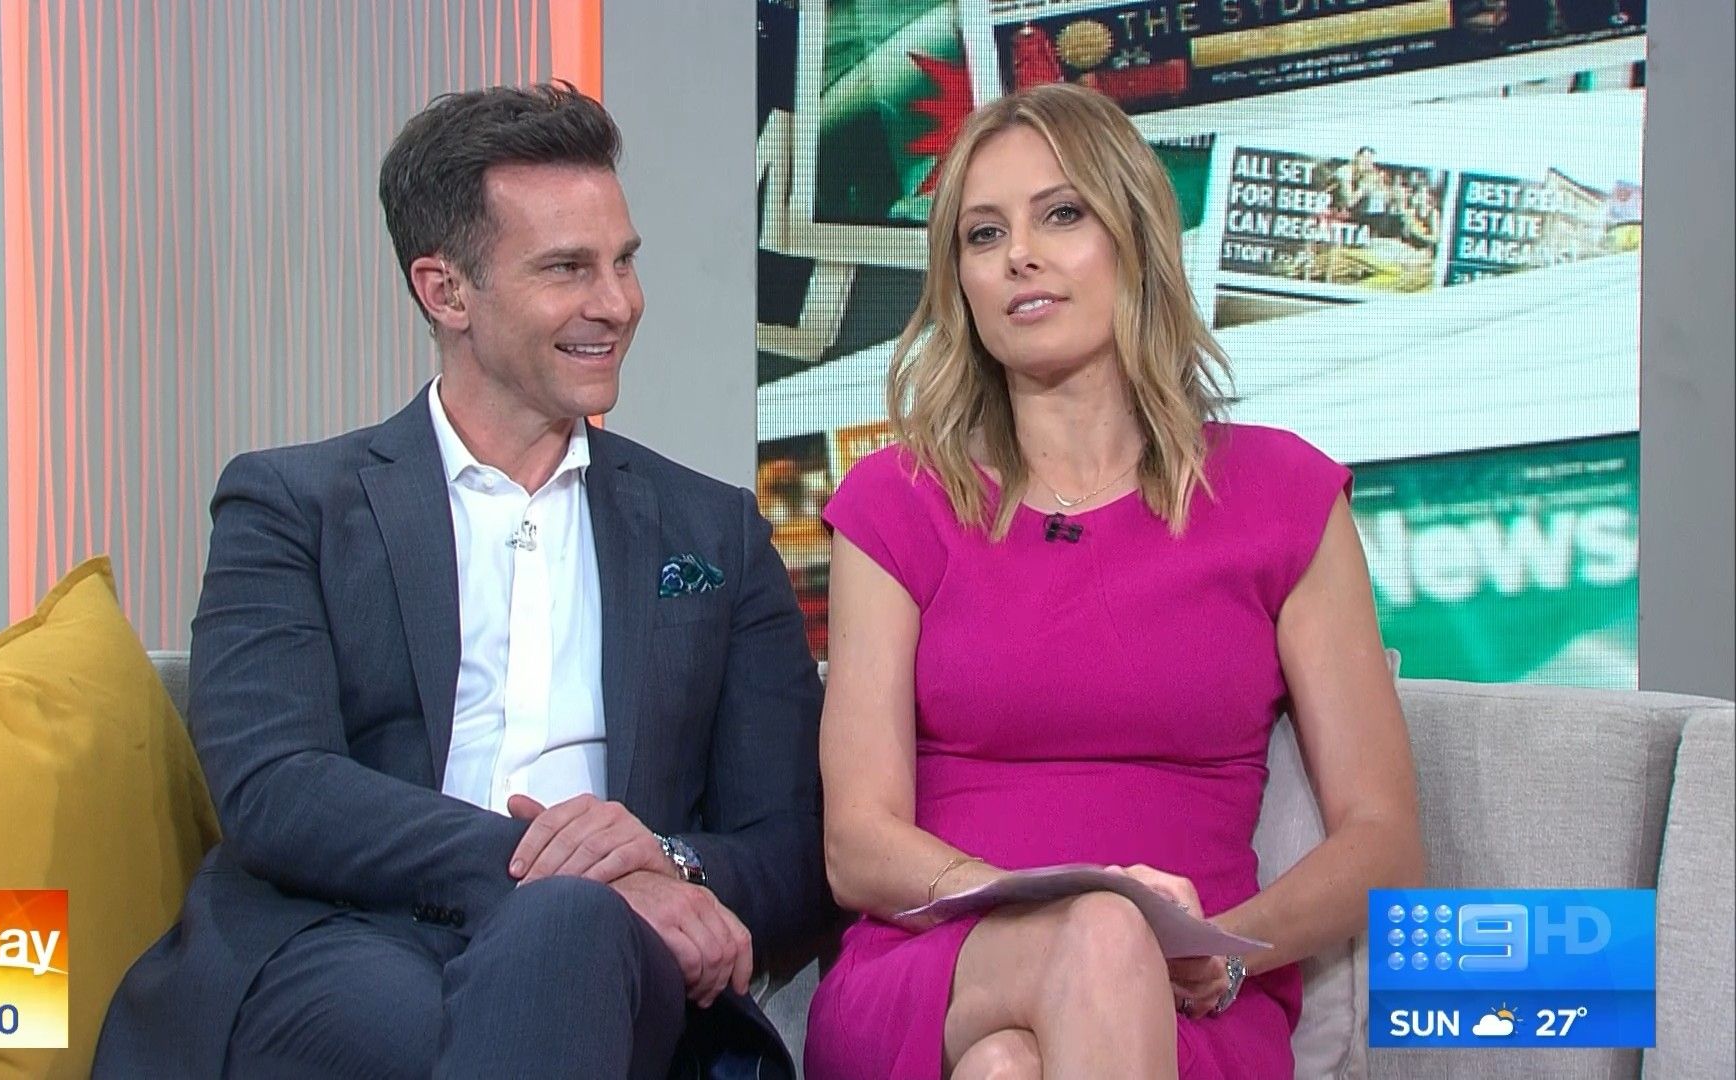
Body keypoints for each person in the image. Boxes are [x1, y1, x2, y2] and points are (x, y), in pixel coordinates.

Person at [93, 83, 830, 1079]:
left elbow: (790, 848)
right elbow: (277, 789)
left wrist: (665, 861)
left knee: (568, 937)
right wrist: (570, 871)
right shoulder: (292, 506)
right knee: (546, 938)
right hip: (342, 941)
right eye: (567, 268)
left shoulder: (714, 531)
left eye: (623, 261)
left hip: (615, 964)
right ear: (445, 291)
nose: (617, 303)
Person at [803, 83, 1423, 1079]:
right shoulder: (896, 501)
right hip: (936, 969)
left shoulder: (1285, 495)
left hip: (1196, 995)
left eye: (1061, 215)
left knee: (1010, 1067)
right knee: (1095, 936)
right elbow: (859, 844)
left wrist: (1222, 948)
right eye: (983, 234)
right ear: (960, 282)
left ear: (1134, 239)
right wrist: (1056, 908)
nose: (1019, 255)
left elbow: (1384, 842)